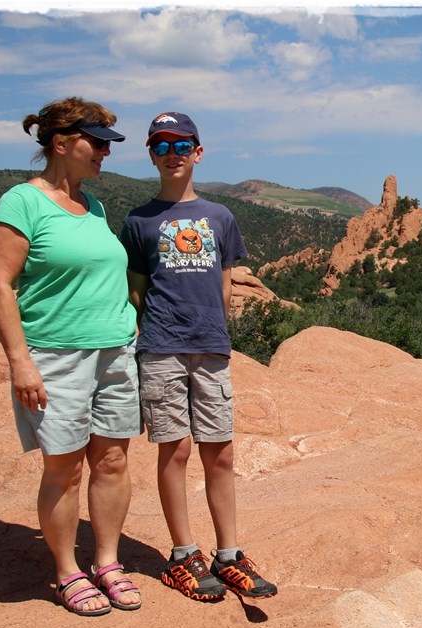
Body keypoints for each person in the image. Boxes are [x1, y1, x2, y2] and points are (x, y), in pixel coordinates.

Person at [0, 97, 142, 616]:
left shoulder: (91, 206)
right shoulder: (22, 202)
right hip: (55, 355)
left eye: (106, 144)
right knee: (65, 469)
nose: (104, 153)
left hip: (114, 351)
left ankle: (109, 562)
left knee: (114, 459)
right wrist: (19, 361)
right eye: (95, 143)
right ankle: (67, 571)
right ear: (61, 143)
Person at [119, 112, 277, 602]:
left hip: (210, 347)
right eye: (162, 146)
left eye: (182, 145)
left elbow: (227, 280)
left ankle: (228, 555)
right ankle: (183, 553)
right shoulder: (139, 221)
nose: (173, 154)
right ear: (151, 154)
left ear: (198, 151)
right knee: (176, 449)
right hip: (162, 348)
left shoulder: (220, 217)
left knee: (220, 452)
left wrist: (214, 328)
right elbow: (136, 291)